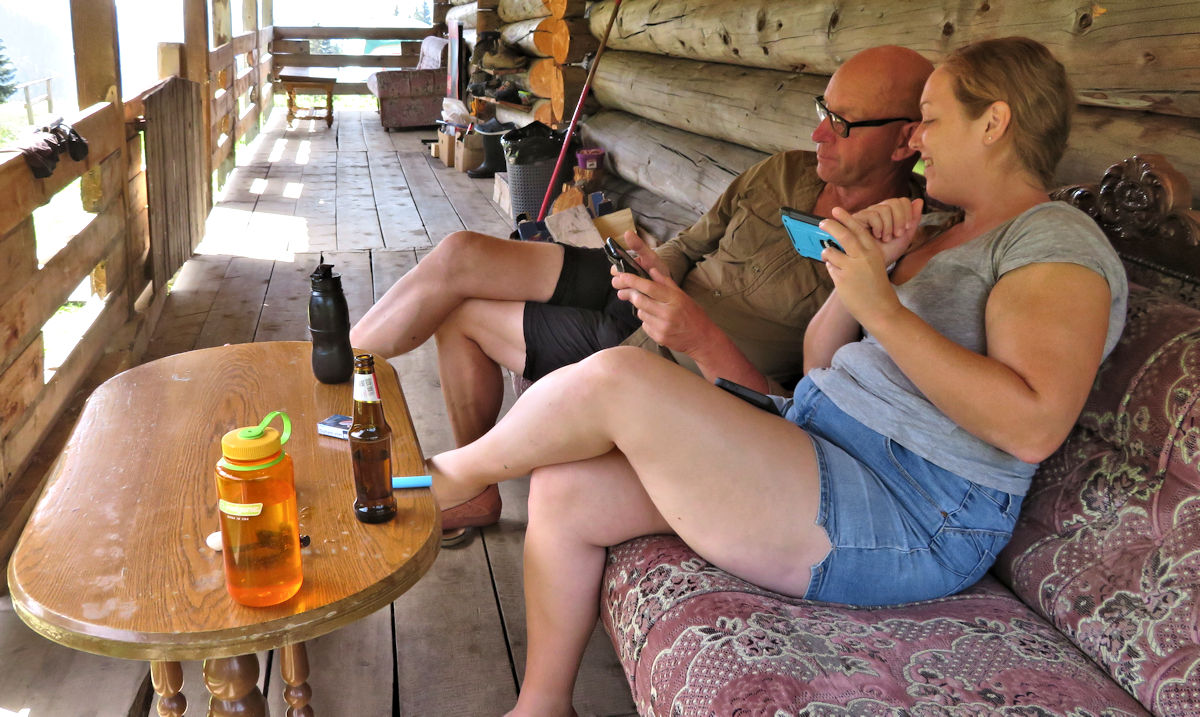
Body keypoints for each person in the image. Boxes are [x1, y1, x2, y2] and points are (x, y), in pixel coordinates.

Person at [428, 37, 1129, 716]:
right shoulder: (944, 232)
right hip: (824, 446)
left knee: (620, 378)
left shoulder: (1052, 238)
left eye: (934, 120)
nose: (918, 143)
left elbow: (1035, 423)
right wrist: (862, 277)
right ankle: (541, 705)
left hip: (911, 509)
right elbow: (825, 362)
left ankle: (451, 477)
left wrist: (881, 306)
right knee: (568, 487)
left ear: (995, 122)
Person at [350, 45, 935, 455]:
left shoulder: (900, 246)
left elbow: (813, 385)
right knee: (461, 254)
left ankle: (465, 485)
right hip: (643, 288)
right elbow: (695, 240)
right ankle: (331, 371)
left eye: (844, 122)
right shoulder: (783, 172)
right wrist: (657, 265)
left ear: (907, 138)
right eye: (820, 111)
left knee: (463, 316)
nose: (818, 133)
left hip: (668, 352)